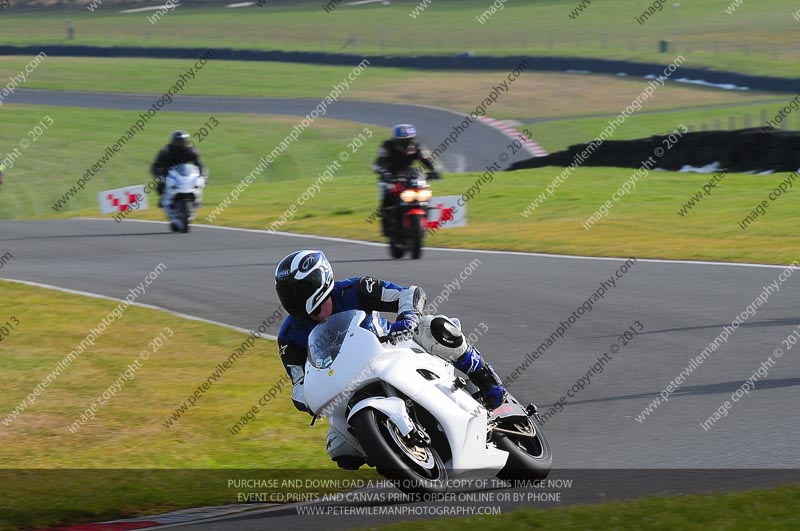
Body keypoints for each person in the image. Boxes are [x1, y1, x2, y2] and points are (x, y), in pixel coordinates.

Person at [274, 249, 507, 470]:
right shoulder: (289, 336)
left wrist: (408, 317)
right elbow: (298, 384)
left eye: (300, 290)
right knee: (341, 449)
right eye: (287, 294)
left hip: (391, 346)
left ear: (320, 279)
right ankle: (393, 447)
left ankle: (485, 376)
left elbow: (409, 293)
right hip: (344, 381)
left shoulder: (354, 289)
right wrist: (310, 397)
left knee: (435, 327)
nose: (293, 299)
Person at [372, 124, 440, 234]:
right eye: (403, 140)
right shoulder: (387, 146)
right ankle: (386, 218)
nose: (406, 143)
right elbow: (377, 163)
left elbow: (426, 160)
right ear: (396, 139)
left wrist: (434, 171)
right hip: (390, 175)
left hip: (409, 174)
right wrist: (382, 171)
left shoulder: (416, 146)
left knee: (423, 190)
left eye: (409, 139)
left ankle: (424, 215)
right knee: (388, 192)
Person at [150, 131, 206, 206]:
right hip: (168, 172)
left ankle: (197, 198)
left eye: (182, 141)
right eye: (178, 141)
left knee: (198, 183)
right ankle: (164, 199)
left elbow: (200, 164)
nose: (180, 143)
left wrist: (203, 176)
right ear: (173, 141)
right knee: (161, 185)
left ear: (186, 141)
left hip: (184, 172)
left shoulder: (190, 150)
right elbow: (155, 165)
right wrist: (158, 175)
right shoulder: (166, 151)